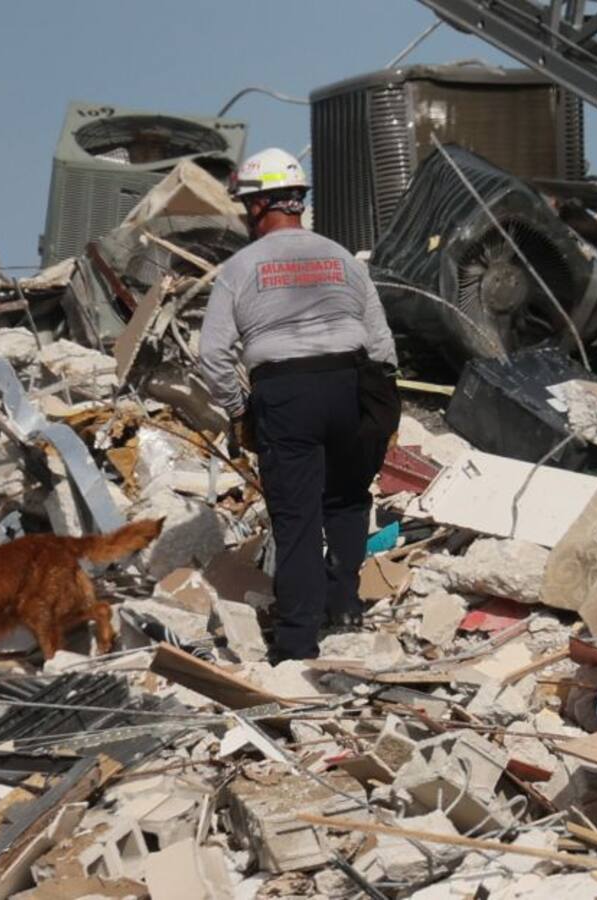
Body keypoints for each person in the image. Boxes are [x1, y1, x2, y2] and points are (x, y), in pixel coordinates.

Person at [198, 147, 400, 664]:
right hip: (351, 383)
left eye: (247, 205)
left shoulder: (240, 268)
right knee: (349, 499)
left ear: (260, 206)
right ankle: (345, 603)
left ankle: (295, 645)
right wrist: (379, 406)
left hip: (285, 394)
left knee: (297, 520)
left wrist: (240, 409)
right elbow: (380, 345)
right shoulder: (342, 260)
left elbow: (213, 355)